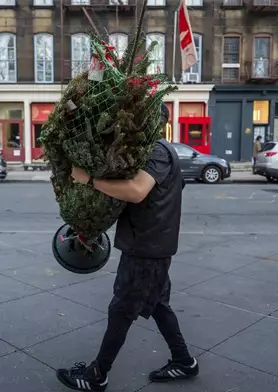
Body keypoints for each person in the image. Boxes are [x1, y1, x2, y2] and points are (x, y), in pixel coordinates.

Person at [56, 103, 198, 391]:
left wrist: (90, 179)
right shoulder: (160, 151)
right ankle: (184, 361)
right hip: (153, 244)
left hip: (146, 248)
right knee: (157, 304)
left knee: (121, 310)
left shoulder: (156, 151)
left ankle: (97, 376)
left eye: (136, 121)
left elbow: (136, 191)